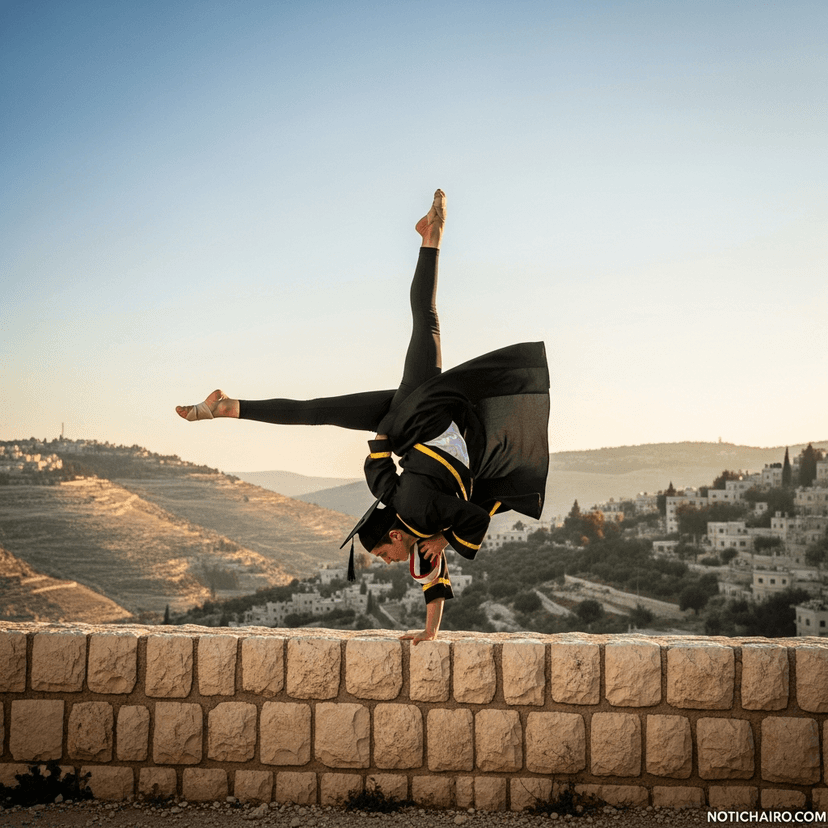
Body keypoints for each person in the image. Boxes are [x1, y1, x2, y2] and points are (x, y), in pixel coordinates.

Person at [176, 190, 550, 643]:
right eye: (388, 558)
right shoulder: (396, 499)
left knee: (425, 323)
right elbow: (379, 467)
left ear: (396, 533)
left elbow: (475, 520)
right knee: (318, 411)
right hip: (404, 422)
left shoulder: (422, 512)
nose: (389, 562)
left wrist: (443, 540)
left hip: (421, 413)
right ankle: (229, 407)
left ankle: (432, 237)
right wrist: (430, 628)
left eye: (386, 555)